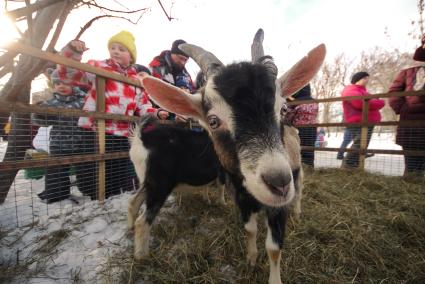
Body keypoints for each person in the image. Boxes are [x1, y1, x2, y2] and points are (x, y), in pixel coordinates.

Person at [60, 30, 157, 200]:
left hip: (121, 132)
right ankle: (94, 200)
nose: (116, 51)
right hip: (95, 129)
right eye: (113, 47)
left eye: (122, 49)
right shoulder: (98, 67)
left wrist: (158, 113)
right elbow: (68, 73)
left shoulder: (136, 81)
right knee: (91, 169)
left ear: (131, 56)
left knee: (116, 170)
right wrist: (72, 51)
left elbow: (143, 105)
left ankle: (109, 201)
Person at [32, 69, 87, 203]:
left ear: (74, 84)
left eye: (65, 83)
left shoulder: (84, 100)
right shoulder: (51, 103)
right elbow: (43, 122)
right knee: (56, 170)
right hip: (59, 143)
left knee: (86, 170)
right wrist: (39, 112)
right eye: (57, 84)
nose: (61, 86)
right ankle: (57, 196)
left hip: (83, 143)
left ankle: (90, 191)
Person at [389, 39, 425, 176]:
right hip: (411, 123)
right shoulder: (408, 72)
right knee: (412, 162)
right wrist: (404, 109)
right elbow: (394, 92)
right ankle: (411, 184)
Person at [341, 71, 385, 168]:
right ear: (357, 79)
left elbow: (374, 101)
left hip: (366, 121)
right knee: (360, 144)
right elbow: (359, 103)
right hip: (358, 121)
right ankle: (348, 165)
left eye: (367, 78)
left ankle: (354, 165)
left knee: (362, 144)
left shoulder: (363, 91)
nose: (367, 80)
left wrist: (377, 101)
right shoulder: (351, 90)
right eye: (364, 78)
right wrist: (379, 102)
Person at [149, 39, 195, 121]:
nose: (183, 62)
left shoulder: (186, 75)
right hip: (159, 117)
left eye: (185, 60)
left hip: (181, 119)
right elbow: (149, 93)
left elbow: (192, 94)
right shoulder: (155, 68)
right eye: (181, 58)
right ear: (172, 53)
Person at [284, 84, 318, 167]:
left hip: (299, 129)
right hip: (312, 129)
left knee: (298, 148)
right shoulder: (314, 102)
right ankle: (310, 165)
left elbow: (289, 116)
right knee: (310, 147)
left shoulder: (296, 102)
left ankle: (300, 167)